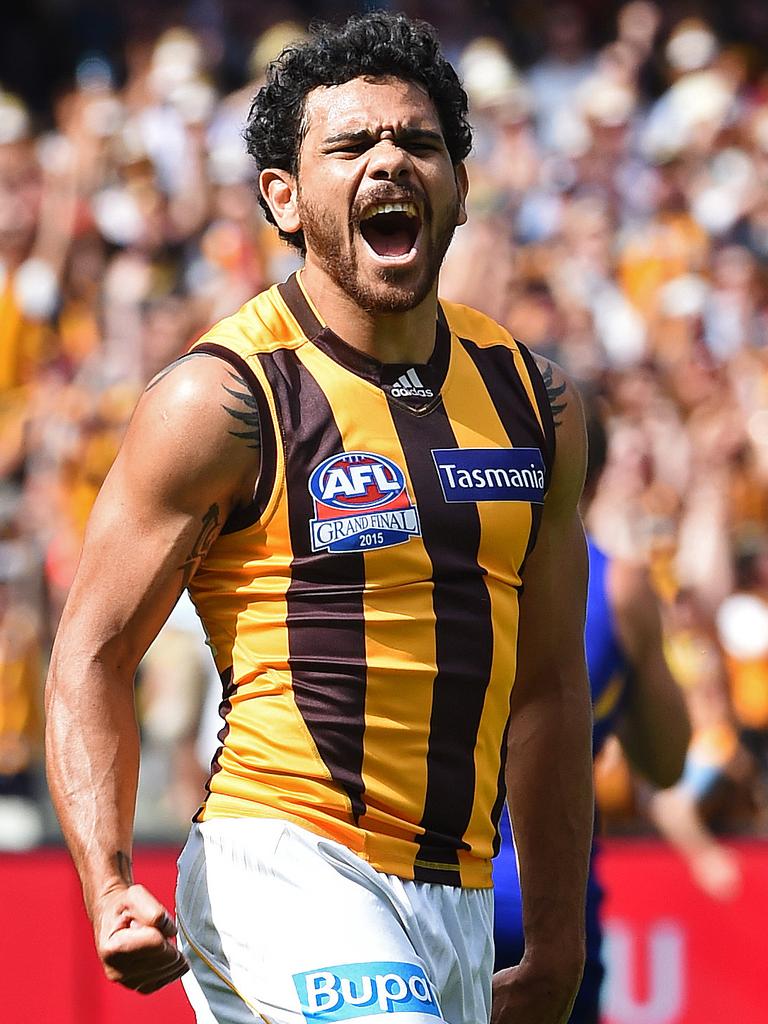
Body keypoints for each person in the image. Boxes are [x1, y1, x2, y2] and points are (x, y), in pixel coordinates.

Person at [45, 13, 594, 1024]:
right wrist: (110, 879)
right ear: (285, 200)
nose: (390, 160)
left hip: (460, 899)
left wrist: (557, 939)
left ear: (462, 187)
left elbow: (552, 687)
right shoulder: (219, 400)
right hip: (286, 862)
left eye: (419, 143)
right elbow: (89, 651)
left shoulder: (536, 401)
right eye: (352, 146)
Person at [493, 400, 691, 1022]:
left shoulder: (440, 572)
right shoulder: (621, 588)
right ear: (596, 475)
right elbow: (665, 761)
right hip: (553, 905)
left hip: (426, 890)